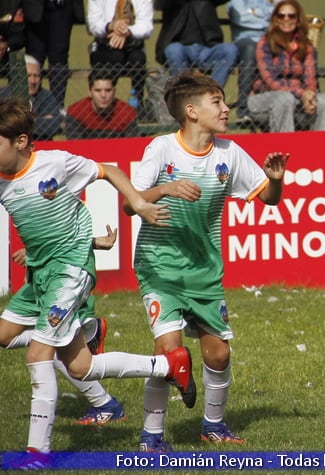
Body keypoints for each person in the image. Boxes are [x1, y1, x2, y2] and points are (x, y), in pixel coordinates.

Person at [0, 96, 193, 463]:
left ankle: (38, 454)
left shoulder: (56, 163)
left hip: (70, 273)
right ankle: (169, 365)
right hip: (40, 275)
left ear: (21, 141)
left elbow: (109, 171)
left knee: (39, 353)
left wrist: (138, 204)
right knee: (77, 365)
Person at [128, 71, 289, 452]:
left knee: (219, 353)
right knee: (167, 356)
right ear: (191, 111)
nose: (226, 108)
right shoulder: (162, 149)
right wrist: (165, 188)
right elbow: (129, 200)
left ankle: (213, 426)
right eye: (216, 102)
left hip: (204, 271)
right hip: (159, 267)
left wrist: (275, 179)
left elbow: (269, 198)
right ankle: (151, 436)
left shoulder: (229, 153)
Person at [1, 227, 127, 429]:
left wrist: (35, 252)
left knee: (54, 345)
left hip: (60, 275)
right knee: (6, 335)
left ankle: (110, 401)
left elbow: (65, 230)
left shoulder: (47, 196)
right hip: (43, 274)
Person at [249, 0, 325, 132]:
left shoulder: (306, 45)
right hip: (264, 97)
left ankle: (320, 148)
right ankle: (285, 147)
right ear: (276, 19)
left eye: (291, 16)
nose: (286, 19)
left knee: (322, 101)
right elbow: (270, 81)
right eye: (281, 16)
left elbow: (310, 75)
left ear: (298, 20)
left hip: (298, 98)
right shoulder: (265, 43)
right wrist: (301, 93)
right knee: (285, 99)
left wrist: (310, 94)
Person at [154, 0, 238, 88]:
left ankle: (212, 92)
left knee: (229, 49)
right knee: (173, 49)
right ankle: (186, 91)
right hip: (181, 49)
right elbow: (159, 5)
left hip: (208, 49)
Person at [86, 0, 153, 108]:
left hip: (133, 43)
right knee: (115, 57)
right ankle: (106, 103)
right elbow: (93, 25)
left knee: (138, 58)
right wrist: (111, 26)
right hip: (105, 44)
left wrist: (126, 31)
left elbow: (147, 27)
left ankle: (137, 102)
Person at [22, 0, 84, 107]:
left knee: (59, 60)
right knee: (34, 60)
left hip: (63, 8)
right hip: (34, 9)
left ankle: (57, 109)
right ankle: (29, 108)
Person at [227, 0, 275, 122]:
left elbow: (279, 14)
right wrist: (265, 19)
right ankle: (243, 109)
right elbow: (242, 18)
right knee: (251, 49)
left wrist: (254, 14)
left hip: (269, 41)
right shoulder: (237, 2)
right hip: (245, 41)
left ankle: (271, 106)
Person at [0, 55, 62, 141]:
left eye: (36, 76)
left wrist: (15, 122)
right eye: (28, 76)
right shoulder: (3, 95)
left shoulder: (46, 96)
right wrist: (38, 120)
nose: (33, 81)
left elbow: (54, 125)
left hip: (40, 145)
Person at [65, 69, 138, 139]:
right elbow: (75, 146)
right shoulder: (76, 113)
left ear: (114, 92)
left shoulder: (127, 114)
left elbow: (131, 147)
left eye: (108, 90)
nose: (103, 95)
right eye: (98, 90)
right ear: (90, 92)